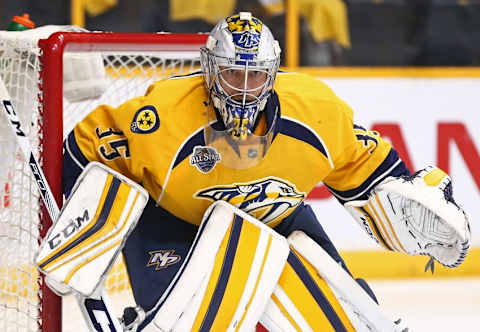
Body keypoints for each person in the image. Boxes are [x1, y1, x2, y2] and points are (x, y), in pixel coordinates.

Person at [62, 12, 471, 331]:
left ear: (273, 72)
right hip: (173, 223)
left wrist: (410, 193)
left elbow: (368, 166)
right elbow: (85, 145)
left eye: (254, 75)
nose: (243, 87)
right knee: (182, 322)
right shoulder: (160, 116)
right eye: (232, 73)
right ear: (210, 68)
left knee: (348, 318)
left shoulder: (316, 111)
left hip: (277, 215)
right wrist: (73, 214)